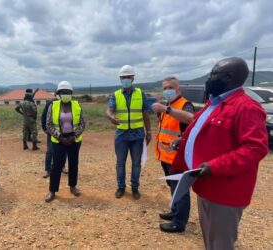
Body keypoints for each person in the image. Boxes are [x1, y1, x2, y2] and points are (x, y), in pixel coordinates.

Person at [171, 57, 268, 249]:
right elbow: (200, 130)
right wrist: (182, 142)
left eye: (213, 74)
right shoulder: (214, 104)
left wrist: (214, 166)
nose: (209, 78)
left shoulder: (246, 107)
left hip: (225, 192)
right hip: (205, 185)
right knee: (209, 240)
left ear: (229, 77)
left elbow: (255, 148)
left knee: (221, 244)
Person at [151, 76, 195, 233]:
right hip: (166, 156)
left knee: (180, 190)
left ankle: (179, 222)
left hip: (178, 157)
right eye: (164, 88)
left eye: (170, 87)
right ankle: (175, 212)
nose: (167, 90)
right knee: (173, 187)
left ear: (179, 89)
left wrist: (166, 109)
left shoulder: (184, 105)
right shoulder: (168, 105)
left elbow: (191, 118)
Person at [106, 65, 151, 200]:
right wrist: (111, 117)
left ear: (133, 78)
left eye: (128, 77)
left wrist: (148, 132)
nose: (126, 79)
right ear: (120, 79)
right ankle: (121, 187)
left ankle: (135, 188)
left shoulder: (140, 93)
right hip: (122, 135)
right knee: (120, 162)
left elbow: (145, 114)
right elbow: (109, 110)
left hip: (137, 135)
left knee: (136, 163)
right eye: (123, 77)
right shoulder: (116, 95)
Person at [44, 81, 85, 202]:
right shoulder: (53, 106)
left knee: (73, 163)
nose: (65, 94)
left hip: (74, 140)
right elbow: (49, 124)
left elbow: (82, 123)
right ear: (58, 94)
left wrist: (74, 135)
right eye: (63, 92)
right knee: (56, 166)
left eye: (67, 92)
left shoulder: (77, 105)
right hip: (58, 141)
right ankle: (52, 190)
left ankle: (73, 186)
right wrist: (59, 137)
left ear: (71, 93)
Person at [41, 97, 68, 178]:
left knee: (64, 150)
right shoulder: (50, 103)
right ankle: (47, 170)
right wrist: (45, 129)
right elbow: (44, 116)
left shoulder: (66, 103)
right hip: (52, 132)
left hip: (64, 132)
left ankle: (62, 167)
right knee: (50, 151)